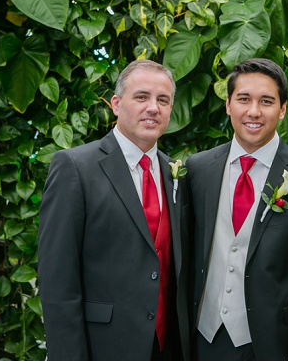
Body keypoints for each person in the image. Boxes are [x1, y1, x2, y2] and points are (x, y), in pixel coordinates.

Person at [37, 59, 192, 360]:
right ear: (116, 104)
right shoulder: (75, 167)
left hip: (167, 348)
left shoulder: (176, 173)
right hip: (104, 347)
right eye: (141, 97)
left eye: (163, 100)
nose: (153, 107)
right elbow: (57, 279)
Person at [187, 58, 288, 360]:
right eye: (243, 99)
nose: (253, 111)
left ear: (282, 110)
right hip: (200, 339)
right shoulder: (197, 169)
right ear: (228, 104)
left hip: (270, 345)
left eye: (266, 101)